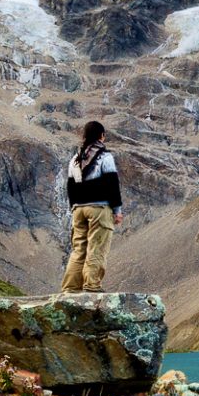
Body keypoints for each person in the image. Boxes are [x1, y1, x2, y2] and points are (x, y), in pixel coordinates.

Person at [61, 120, 122, 292]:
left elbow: (70, 187)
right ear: (101, 136)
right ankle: (91, 286)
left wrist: (74, 208)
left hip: (78, 209)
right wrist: (117, 210)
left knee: (79, 249)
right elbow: (112, 185)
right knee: (97, 247)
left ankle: (70, 288)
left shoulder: (75, 159)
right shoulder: (105, 157)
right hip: (98, 209)